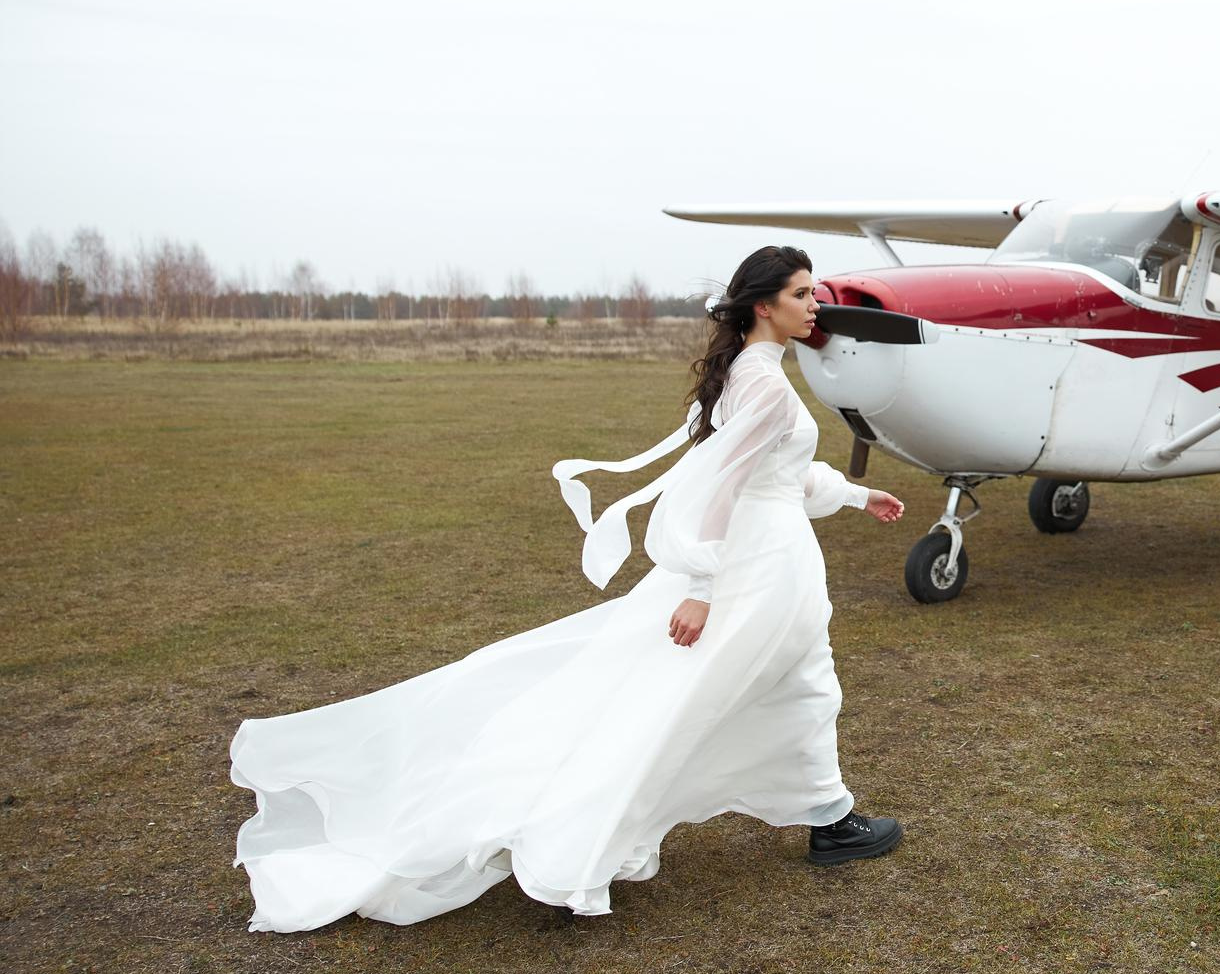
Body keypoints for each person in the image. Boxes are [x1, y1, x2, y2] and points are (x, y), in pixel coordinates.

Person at [230, 246, 907, 933]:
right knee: (698, 700)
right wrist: (701, 584)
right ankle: (592, 830)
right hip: (756, 567)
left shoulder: (752, 373)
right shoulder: (762, 382)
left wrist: (855, 496)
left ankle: (829, 816)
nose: (815, 304)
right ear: (764, 306)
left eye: (812, 292)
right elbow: (719, 488)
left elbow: (778, 473)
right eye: (800, 293)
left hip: (771, 556)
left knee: (801, 685)